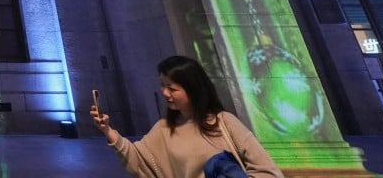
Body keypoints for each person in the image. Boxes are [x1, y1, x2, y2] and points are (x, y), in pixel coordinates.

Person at [91, 55, 285, 178]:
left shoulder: (224, 122)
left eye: (172, 88)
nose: (165, 93)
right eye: (162, 86)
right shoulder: (164, 128)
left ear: (193, 89)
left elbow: (267, 170)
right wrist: (108, 131)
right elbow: (138, 160)